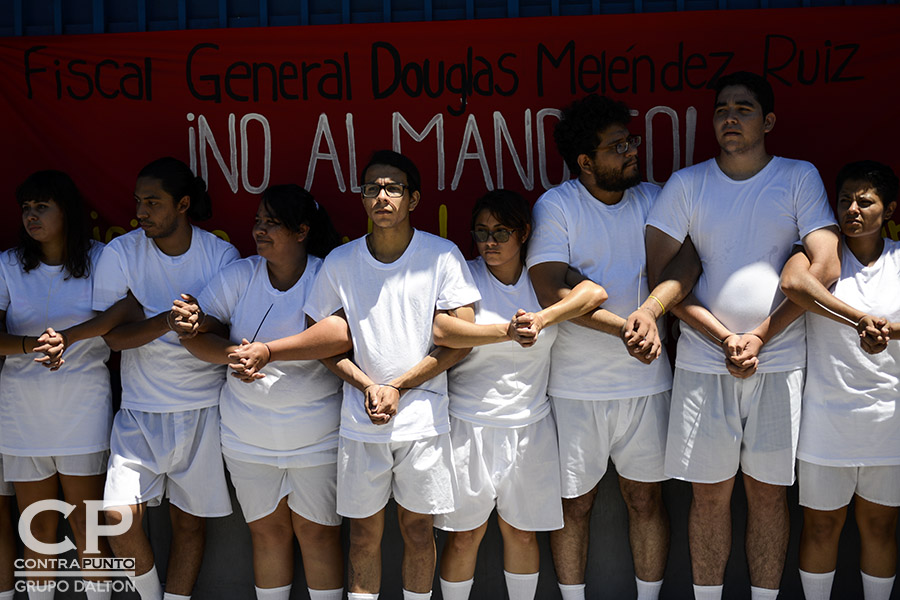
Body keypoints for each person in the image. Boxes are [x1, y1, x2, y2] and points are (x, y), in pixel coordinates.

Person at [235, 150, 480, 600]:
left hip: (423, 420)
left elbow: (459, 341)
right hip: (361, 421)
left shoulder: (441, 255)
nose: (381, 197)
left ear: (414, 198)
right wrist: (368, 386)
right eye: (372, 188)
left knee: (418, 532)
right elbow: (321, 340)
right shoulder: (342, 261)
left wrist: (399, 386)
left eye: (393, 188)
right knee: (363, 537)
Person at [645, 71, 840, 600]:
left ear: (769, 120)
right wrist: (723, 339)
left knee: (769, 495)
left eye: (744, 108)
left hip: (779, 361)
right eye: (721, 109)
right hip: (705, 363)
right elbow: (660, 276)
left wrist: (759, 335)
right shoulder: (687, 184)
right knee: (708, 497)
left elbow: (825, 266)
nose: (729, 117)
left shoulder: (798, 177)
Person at [527, 93, 698, 600]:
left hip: (648, 385)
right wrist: (626, 328)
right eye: (617, 145)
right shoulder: (557, 206)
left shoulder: (654, 197)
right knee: (574, 505)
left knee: (646, 500)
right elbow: (550, 286)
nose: (631, 152)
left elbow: (688, 263)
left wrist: (651, 313)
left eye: (631, 141)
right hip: (575, 389)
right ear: (585, 161)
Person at [433, 189, 608, 600]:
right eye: (481, 232)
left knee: (522, 534)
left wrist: (544, 317)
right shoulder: (465, 275)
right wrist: (506, 332)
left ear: (524, 233)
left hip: (530, 426)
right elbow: (444, 331)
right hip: (468, 425)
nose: (489, 242)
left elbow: (595, 294)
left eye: (501, 231)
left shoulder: (541, 277)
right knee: (464, 536)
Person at [179, 184, 349, 600]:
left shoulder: (325, 272)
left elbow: (339, 335)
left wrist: (269, 352)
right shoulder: (242, 273)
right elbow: (197, 335)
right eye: (258, 221)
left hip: (317, 438)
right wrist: (230, 355)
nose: (260, 229)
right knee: (267, 533)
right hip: (247, 438)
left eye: (272, 222)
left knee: (318, 533)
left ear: (302, 230)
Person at [90, 157, 239, 600]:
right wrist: (164, 322)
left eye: (153, 202)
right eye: (138, 201)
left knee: (188, 522)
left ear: (184, 204)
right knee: (116, 515)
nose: (142, 211)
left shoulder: (220, 254)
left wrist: (199, 323)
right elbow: (113, 340)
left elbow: (230, 326)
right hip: (138, 411)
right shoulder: (121, 252)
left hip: (204, 408)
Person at [779, 160, 899, 600]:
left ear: (888, 210)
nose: (852, 208)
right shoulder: (818, 257)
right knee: (821, 526)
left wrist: (880, 331)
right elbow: (793, 283)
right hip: (825, 422)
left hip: (889, 420)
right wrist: (862, 321)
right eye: (845, 199)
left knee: (881, 527)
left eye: (865, 201)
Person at [0, 170, 118, 600]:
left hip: (82, 407)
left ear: (66, 211)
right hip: (21, 411)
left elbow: (126, 309)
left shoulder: (104, 257)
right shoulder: (9, 264)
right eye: (26, 208)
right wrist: (31, 344)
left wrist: (72, 336)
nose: (31, 216)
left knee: (88, 524)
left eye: (42, 206)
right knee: (38, 526)